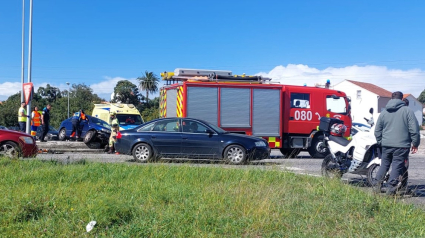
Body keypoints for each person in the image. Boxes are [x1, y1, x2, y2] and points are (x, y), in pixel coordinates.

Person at [374, 91, 420, 195]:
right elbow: (414, 130)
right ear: (402, 98)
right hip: (401, 146)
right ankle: (390, 191)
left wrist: (381, 142)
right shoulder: (407, 111)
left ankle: (376, 187)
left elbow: (377, 130)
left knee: (384, 165)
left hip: (386, 145)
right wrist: (415, 144)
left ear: (391, 98)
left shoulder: (384, 112)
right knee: (396, 167)